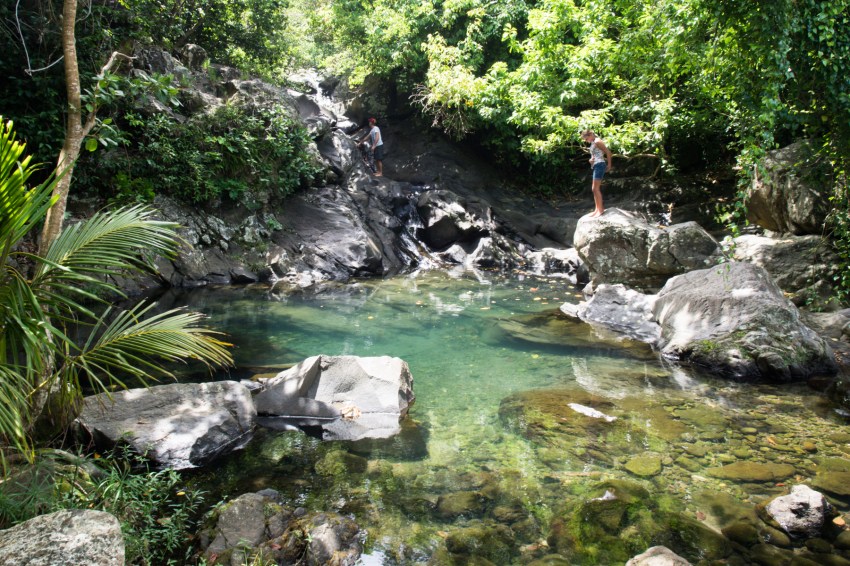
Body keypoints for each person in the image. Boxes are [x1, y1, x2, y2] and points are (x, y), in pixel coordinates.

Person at [581, 129, 612, 217]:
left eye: (586, 139)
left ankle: (600, 210)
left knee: (595, 188)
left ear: (590, 134)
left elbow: (608, 152)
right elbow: (595, 155)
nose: (586, 141)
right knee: (594, 189)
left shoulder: (598, 141)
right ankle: (597, 209)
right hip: (596, 165)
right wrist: (590, 160)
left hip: (600, 165)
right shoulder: (593, 142)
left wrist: (609, 165)